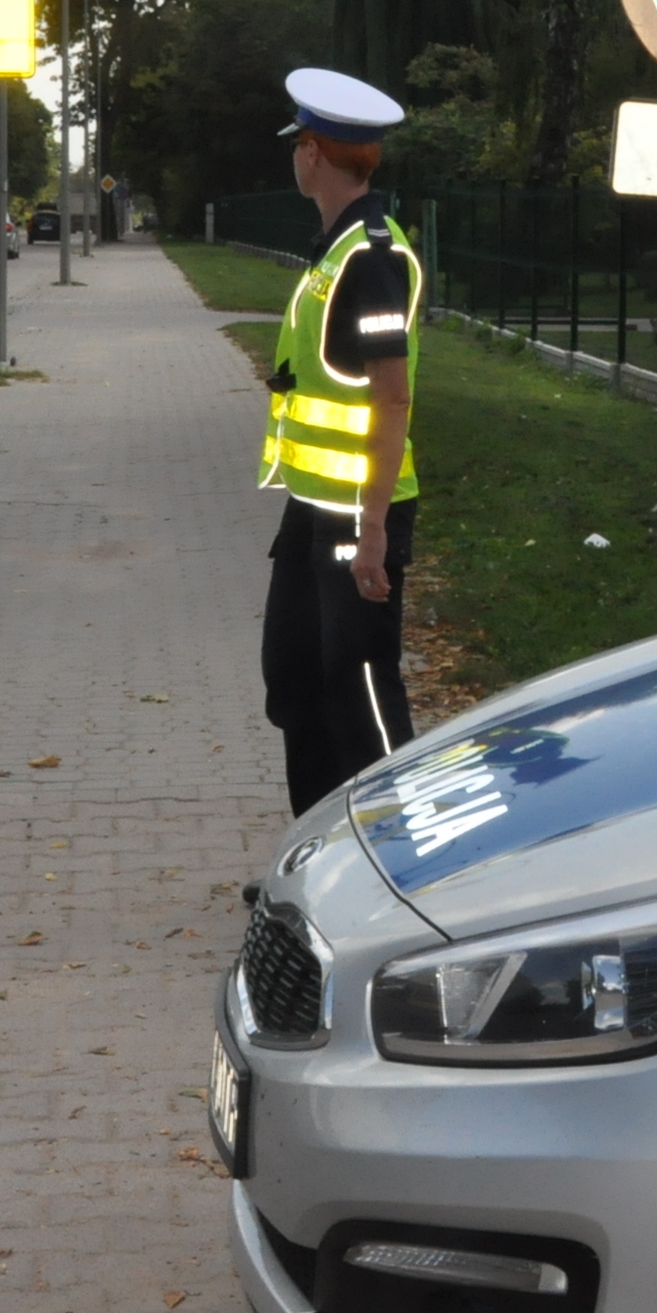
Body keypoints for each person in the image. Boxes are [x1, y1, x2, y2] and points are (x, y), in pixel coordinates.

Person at [257, 69, 425, 812]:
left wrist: (374, 532)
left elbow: (393, 397)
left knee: (361, 694)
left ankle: (401, 860)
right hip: (311, 507)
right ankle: (318, 857)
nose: (294, 156)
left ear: (315, 150)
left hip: (358, 513)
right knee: (295, 681)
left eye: (298, 143)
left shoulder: (375, 258)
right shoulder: (336, 248)